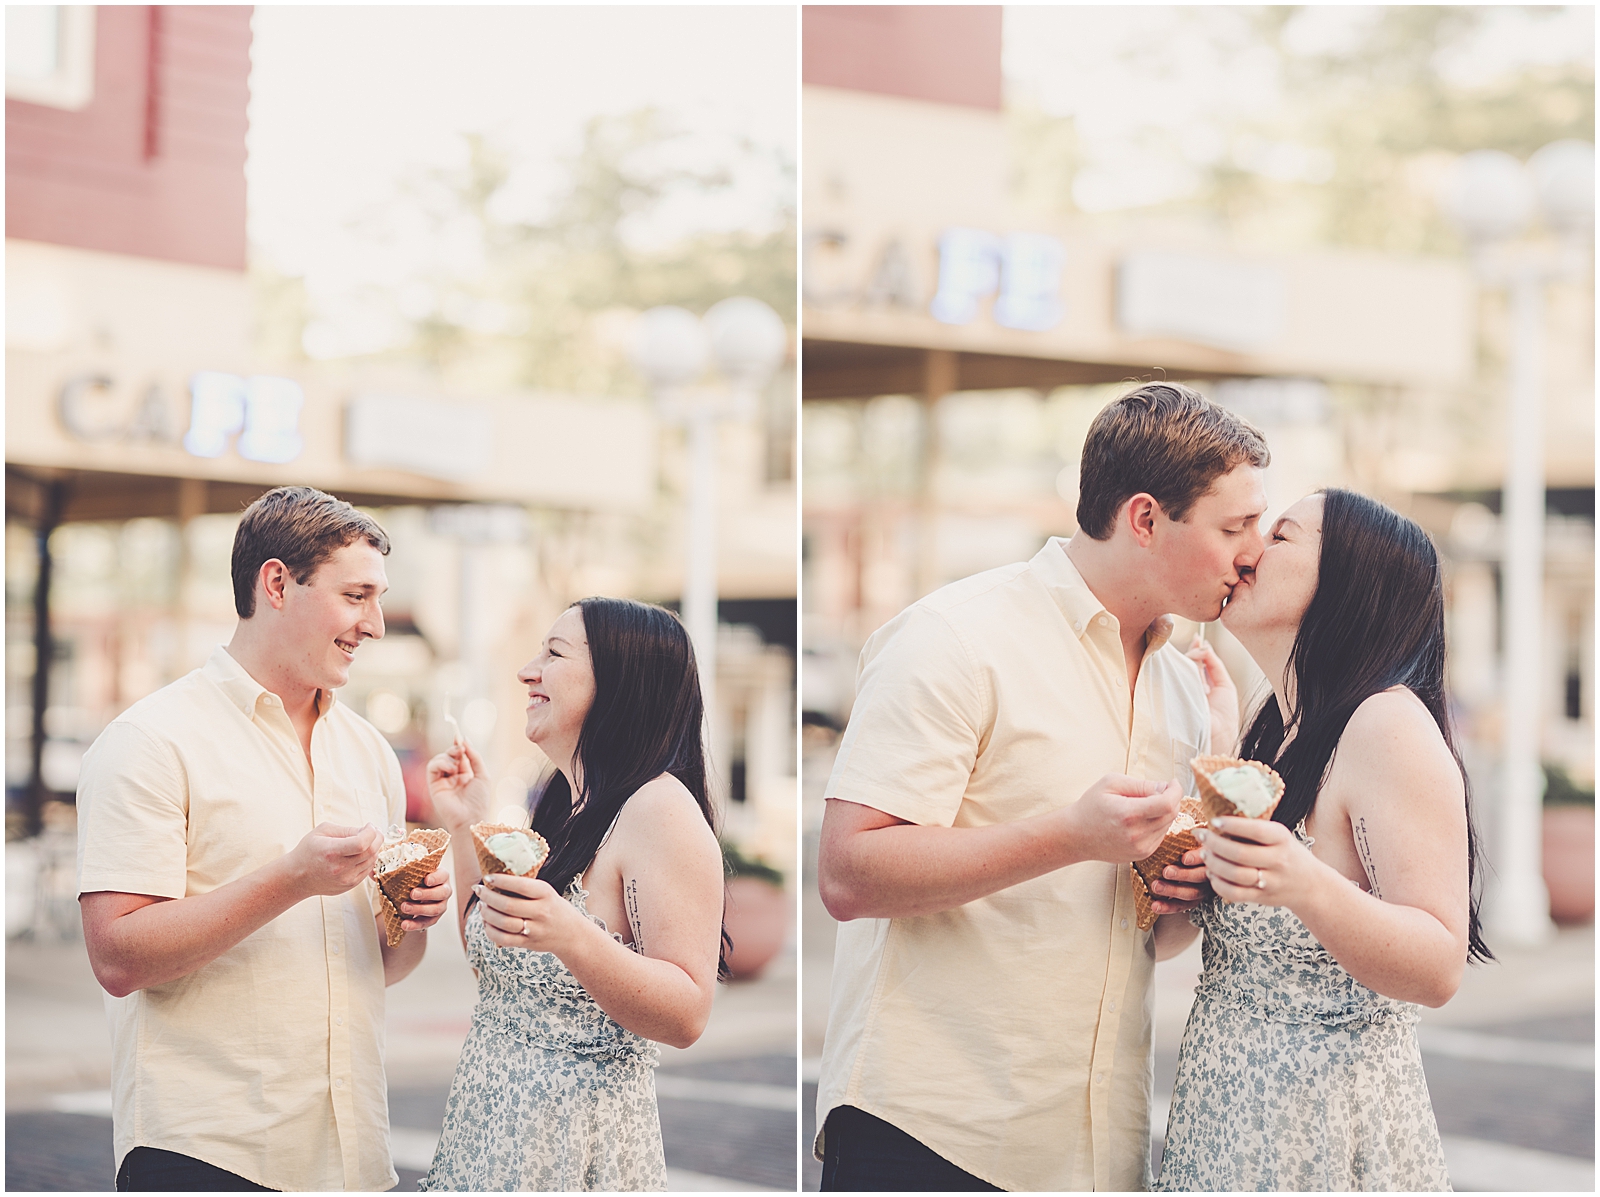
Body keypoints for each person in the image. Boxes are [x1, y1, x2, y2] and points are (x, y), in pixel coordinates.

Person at [813, 382, 1272, 1192]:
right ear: (1144, 517)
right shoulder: (954, 637)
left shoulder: (1182, 685)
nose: (1252, 553)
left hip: (1093, 1152)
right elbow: (849, 873)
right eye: (1234, 526)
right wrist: (1068, 835)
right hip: (930, 1134)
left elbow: (1145, 936)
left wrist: (1182, 889)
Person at [76, 485, 453, 1192]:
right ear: (277, 582)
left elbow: (382, 964)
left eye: (377, 597)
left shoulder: (368, 751)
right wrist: (293, 877)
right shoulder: (150, 741)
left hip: (352, 1159)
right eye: (355, 595)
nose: (374, 623)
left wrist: (412, 913)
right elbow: (117, 955)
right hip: (207, 1153)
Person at [1155, 488, 1491, 1192]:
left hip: (1324, 1144)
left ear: (1348, 583)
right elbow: (1194, 939)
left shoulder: (1386, 728)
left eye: (1281, 537)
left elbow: (1438, 965)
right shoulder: (1274, 724)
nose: (1247, 550)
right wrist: (1213, 765)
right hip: (1226, 1129)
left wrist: (1305, 884)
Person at [420, 597, 726, 1192]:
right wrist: (466, 824)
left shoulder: (660, 809)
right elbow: (502, 974)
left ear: (618, 680)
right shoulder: (563, 801)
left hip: (574, 1154)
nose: (526, 671)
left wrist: (572, 935)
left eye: (553, 654)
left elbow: (688, 1013)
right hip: (487, 1143)